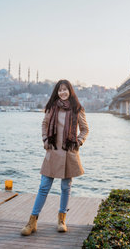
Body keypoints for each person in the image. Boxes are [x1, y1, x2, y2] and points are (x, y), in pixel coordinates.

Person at [21, 79, 89, 236]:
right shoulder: (52, 107)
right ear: (57, 92)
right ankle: (32, 221)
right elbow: (44, 125)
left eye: (65, 89)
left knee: (66, 187)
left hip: (69, 153)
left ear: (70, 91)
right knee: (44, 186)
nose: (62, 92)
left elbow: (85, 129)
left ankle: (61, 219)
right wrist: (45, 140)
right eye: (60, 90)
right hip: (52, 151)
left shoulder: (77, 109)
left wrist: (78, 142)